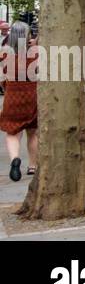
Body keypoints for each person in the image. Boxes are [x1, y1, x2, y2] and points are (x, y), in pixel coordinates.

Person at [1, 21, 39, 182]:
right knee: (33, 132)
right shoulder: (35, 54)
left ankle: (15, 159)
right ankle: (32, 166)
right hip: (32, 96)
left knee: (12, 133)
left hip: (12, 96)